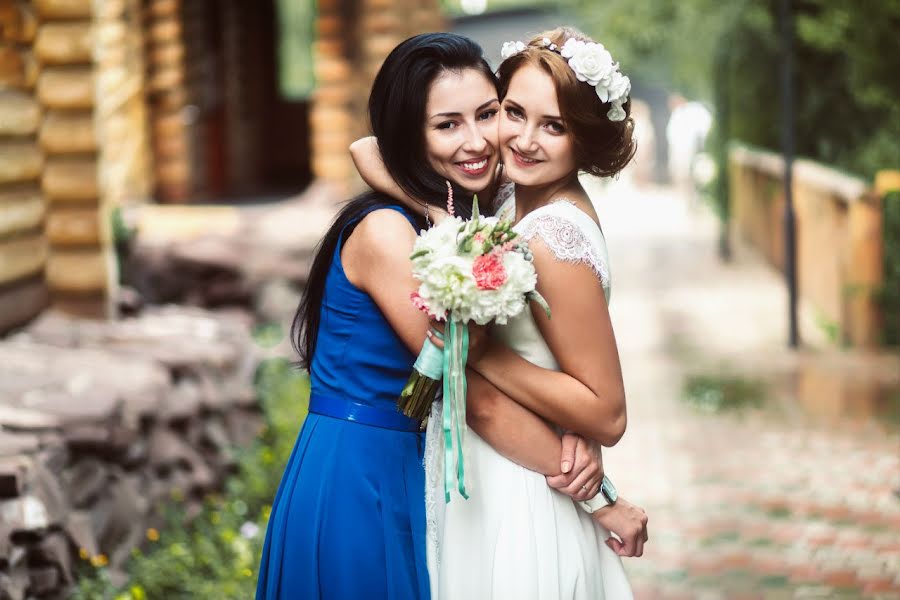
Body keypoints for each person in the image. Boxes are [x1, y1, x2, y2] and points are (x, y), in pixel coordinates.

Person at [255, 32, 613, 600]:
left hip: (414, 468)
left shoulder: (453, 220)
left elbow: (370, 151)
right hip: (359, 474)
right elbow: (480, 399)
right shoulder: (386, 232)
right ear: (411, 133)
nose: (477, 142)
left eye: (489, 114)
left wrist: (434, 210)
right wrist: (600, 498)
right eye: (446, 124)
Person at [353, 27, 646, 599]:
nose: (525, 140)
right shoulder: (514, 198)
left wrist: (481, 356)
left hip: (520, 487)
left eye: (554, 126)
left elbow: (607, 413)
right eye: (513, 112)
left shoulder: (555, 233)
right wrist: (436, 213)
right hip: (489, 472)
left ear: (582, 139)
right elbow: (366, 151)